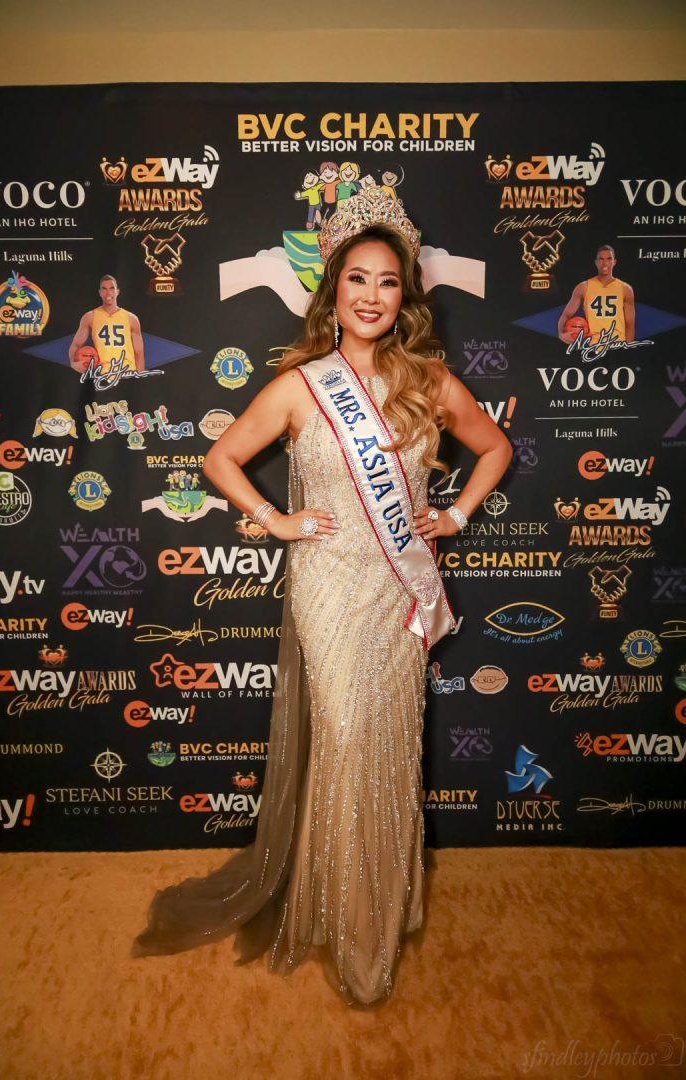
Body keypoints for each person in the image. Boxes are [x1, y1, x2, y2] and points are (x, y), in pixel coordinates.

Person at [131, 187, 512, 1006]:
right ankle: (342, 920)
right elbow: (220, 459)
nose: (371, 296)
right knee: (344, 743)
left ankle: (381, 912)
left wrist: (454, 514)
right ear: (332, 290)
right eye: (357, 279)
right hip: (330, 589)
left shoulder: (429, 380)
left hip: (397, 592)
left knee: (391, 749)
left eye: (387, 282)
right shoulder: (303, 386)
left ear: (404, 296)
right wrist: (277, 519)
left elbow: (494, 447)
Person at [558, 244, 635, 343]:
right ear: (596, 262)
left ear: (614, 262)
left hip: (617, 343)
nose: (605, 263)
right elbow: (566, 314)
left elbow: (630, 324)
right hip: (593, 345)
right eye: (601, 259)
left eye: (609, 259)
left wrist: (628, 348)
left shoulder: (625, 289)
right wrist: (561, 334)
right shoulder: (583, 287)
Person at [68, 274, 145, 373]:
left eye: (112, 288)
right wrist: (73, 363)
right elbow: (76, 344)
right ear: (100, 292)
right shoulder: (90, 317)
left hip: (128, 372)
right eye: (104, 289)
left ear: (117, 291)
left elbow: (139, 353)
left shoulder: (131, 318)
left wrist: (139, 379)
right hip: (103, 375)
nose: (108, 292)